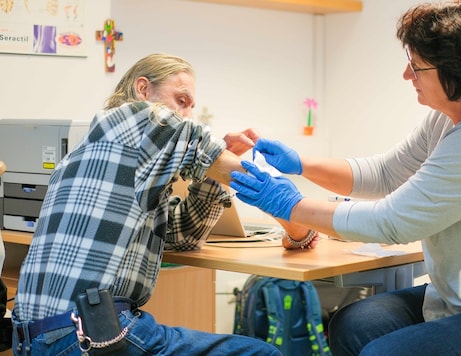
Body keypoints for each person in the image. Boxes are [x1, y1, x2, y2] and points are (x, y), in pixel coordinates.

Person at [229, 1, 461, 355]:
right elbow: (386, 173)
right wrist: (300, 163)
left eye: (416, 66)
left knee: (381, 351)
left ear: (457, 72)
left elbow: (392, 223)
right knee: (354, 324)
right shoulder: (456, 112)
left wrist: (291, 205)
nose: (406, 75)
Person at [11, 53, 283, 355]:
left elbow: (183, 236)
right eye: (181, 100)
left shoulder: (114, 149)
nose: (188, 115)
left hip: (38, 339)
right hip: (83, 334)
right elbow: (196, 139)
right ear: (143, 90)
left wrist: (213, 175)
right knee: (262, 353)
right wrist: (298, 226)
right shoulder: (141, 120)